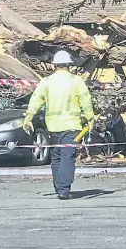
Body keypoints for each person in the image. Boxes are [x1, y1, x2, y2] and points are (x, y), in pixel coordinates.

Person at [23, 50, 95, 200]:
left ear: (54, 65)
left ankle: (59, 187)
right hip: (71, 126)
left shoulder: (46, 82)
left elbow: (36, 99)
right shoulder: (76, 81)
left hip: (53, 127)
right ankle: (63, 189)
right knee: (67, 156)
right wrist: (90, 118)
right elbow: (85, 100)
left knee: (56, 157)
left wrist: (29, 117)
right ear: (69, 65)